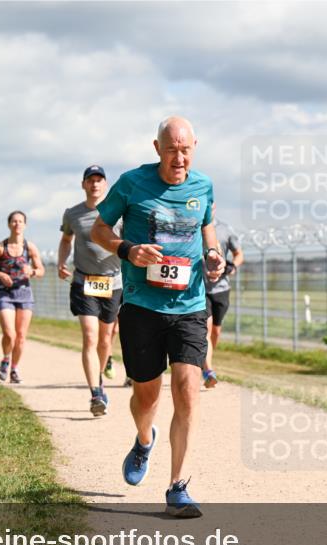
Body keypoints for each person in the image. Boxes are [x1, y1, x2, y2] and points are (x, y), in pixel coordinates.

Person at [91, 116, 225, 518]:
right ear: (157, 149)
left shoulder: (203, 185)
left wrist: (213, 254)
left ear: (195, 147)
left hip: (190, 305)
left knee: (187, 389)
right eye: (171, 150)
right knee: (146, 396)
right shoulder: (132, 183)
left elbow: (208, 226)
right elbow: (99, 229)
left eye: (185, 150)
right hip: (142, 307)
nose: (178, 158)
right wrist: (127, 250)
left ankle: (177, 486)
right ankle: (144, 438)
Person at [59, 164, 125, 416]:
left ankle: (101, 368)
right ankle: (96, 392)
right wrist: (62, 262)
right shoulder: (72, 214)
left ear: (105, 184)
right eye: (90, 180)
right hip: (84, 281)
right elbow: (66, 240)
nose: (95, 184)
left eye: (99, 180)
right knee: (90, 336)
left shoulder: (117, 213)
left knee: (105, 339)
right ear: (83, 184)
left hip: (113, 282)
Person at [0, 211, 45, 383]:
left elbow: (41, 270)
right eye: (14, 221)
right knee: (9, 334)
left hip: (24, 293)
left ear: (25, 225)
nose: (17, 224)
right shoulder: (0, 247)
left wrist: (32, 271)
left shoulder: (30, 247)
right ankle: (5, 359)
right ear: (9, 224)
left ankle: (14, 369)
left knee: (21, 337)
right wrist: (0, 274)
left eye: (20, 221)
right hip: (5, 294)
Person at [201, 223, 243, 388]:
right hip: (200, 288)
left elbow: (239, 254)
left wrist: (232, 266)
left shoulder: (225, 229)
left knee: (215, 331)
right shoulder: (194, 224)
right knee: (206, 328)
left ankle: (205, 360)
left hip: (221, 288)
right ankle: (208, 371)